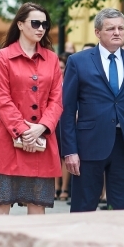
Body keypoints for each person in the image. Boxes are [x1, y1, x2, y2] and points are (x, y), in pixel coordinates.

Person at [61, 8, 124, 212]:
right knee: (83, 207)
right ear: (97, 32)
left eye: (121, 28)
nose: (117, 32)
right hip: (88, 145)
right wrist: (70, 151)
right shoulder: (78, 61)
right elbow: (67, 110)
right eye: (111, 28)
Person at [0, 2, 63, 215]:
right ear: (20, 24)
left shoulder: (52, 58)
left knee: (37, 207)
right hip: (8, 142)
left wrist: (40, 128)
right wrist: (23, 131)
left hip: (42, 140)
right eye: (36, 23)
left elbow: (57, 100)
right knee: (1, 204)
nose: (41, 28)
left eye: (45, 25)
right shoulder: (3, 56)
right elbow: (2, 98)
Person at [55, 54, 71, 201]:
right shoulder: (50, 82)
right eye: (57, 67)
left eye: (62, 67)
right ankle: (55, 187)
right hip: (53, 122)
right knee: (54, 155)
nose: (60, 70)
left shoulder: (70, 82)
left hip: (67, 122)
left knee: (65, 156)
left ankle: (65, 188)